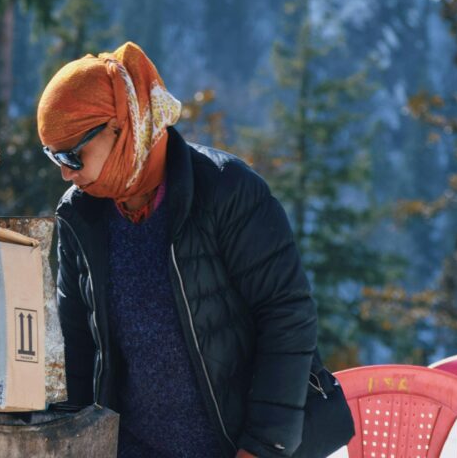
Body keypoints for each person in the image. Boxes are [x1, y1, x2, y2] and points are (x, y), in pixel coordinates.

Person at [38, 42, 352, 458]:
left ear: (121, 126)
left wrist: (262, 447)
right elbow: (77, 343)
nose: (64, 173)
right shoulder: (81, 218)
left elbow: (286, 317)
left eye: (71, 155)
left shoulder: (227, 192)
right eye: (51, 155)